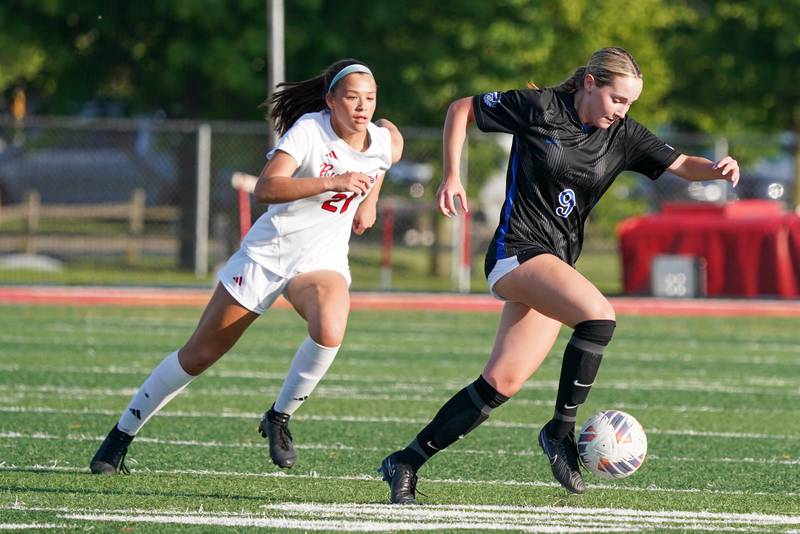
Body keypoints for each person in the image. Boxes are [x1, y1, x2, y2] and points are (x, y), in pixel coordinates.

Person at [378, 47, 739, 504]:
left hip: (555, 263)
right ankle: (558, 432)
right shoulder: (540, 108)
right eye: (617, 99)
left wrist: (717, 169)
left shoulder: (622, 134)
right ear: (589, 83)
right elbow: (462, 108)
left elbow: (682, 164)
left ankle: (406, 461)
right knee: (599, 317)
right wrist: (452, 175)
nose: (623, 111)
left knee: (499, 385)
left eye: (630, 103)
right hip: (517, 253)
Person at [90, 58, 403, 474]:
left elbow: (390, 146)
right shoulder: (311, 130)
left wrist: (371, 199)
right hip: (267, 256)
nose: (363, 107)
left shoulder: (377, 139)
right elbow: (267, 187)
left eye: (370, 97)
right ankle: (119, 437)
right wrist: (332, 182)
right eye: (351, 97)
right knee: (198, 355)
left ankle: (278, 418)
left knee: (330, 328)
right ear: (330, 100)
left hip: (320, 262)